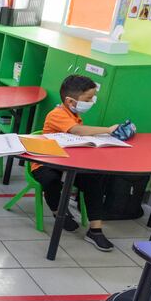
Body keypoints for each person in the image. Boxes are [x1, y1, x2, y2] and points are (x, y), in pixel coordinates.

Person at [32, 74, 119, 251]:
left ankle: (95, 230)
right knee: (50, 180)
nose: (92, 101)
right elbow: (77, 131)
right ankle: (59, 212)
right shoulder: (57, 114)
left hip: (70, 162)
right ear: (70, 101)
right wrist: (108, 130)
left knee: (93, 179)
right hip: (45, 162)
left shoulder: (74, 114)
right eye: (88, 98)